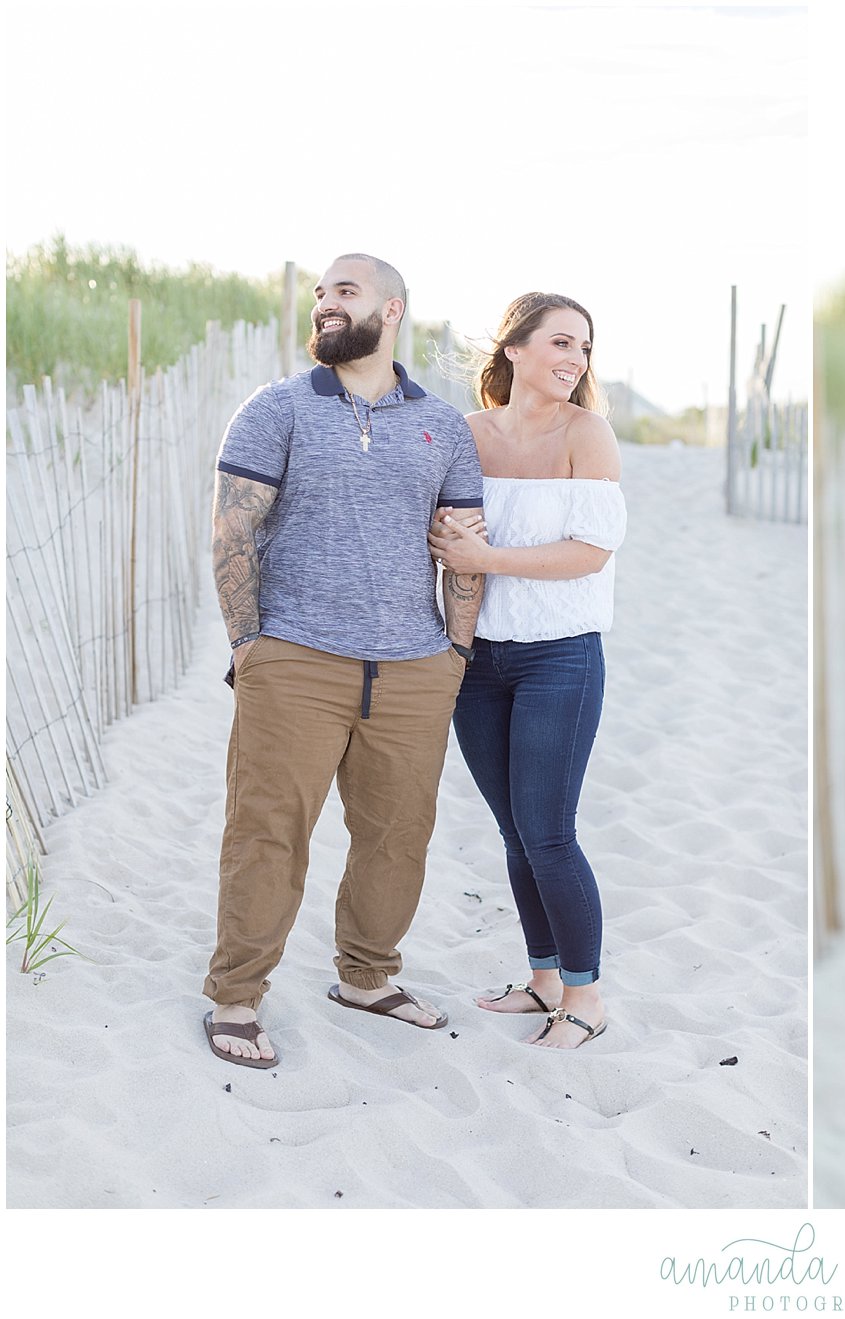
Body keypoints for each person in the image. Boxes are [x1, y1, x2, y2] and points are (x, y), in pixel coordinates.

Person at [203, 253, 485, 1069]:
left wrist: (454, 652)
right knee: (267, 832)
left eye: (345, 292)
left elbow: (463, 546)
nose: (326, 305)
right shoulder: (277, 407)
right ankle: (237, 995)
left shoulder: (443, 424)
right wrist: (249, 646)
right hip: (294, 662)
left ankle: (366, 976)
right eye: (321, 293)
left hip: (414, 668)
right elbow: (232, 532)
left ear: (391, 310)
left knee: (398, 836)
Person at [428, 292, 625, 1050]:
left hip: (561, 655)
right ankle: (542, 977)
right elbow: (443, 527)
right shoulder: (467, 433)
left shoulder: (589, 435)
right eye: (560, 343)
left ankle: (585, 997)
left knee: (548, 832)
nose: (575, 361)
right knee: (514, 831)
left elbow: (591, 550)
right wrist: (448, 539)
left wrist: (488, 558)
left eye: (583, 348)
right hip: (479, 659)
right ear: (513, 349)